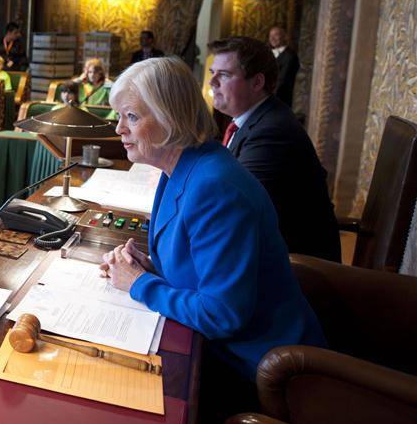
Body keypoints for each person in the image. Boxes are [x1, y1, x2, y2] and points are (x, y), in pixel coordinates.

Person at [101, 57, 325, 393]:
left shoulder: (214, 186)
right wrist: (147, 268)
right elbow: (197, 264)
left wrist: (140, 284)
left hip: (258, 370)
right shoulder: (178, 167)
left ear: (170, 117)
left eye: (131, 116)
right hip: (216, 345)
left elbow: (223, 315)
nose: (119, 128)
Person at [207, 36, 340, 261]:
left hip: (294, 268)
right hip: (262, 249)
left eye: (224, 75)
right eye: (212, 72)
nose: (212, 82)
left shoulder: (272, 132)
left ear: (257, 83)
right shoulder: (254, 119)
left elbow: (234, 207)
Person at [268, 26, 300, 107]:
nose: (272, 38)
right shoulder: (267, 54)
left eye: (276, 35)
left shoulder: (290, 56)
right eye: (270, 36)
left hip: (279, 100)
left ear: (285, 37)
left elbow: (282, 80)